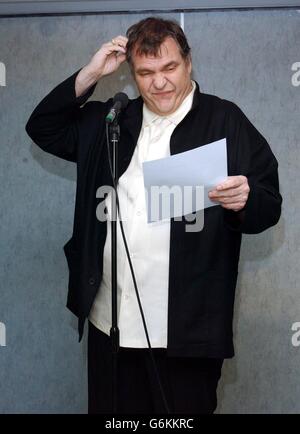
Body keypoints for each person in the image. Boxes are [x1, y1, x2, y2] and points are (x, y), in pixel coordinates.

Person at [25, 17, 282, 414]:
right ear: (131, 74)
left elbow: (269, 202)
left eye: (169, 68)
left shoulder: (224, 119)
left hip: (188, 332)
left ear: (189, 63)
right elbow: (43, 126)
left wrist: (246, 199)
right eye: (145, 73)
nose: (159, 82)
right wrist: (92, 72)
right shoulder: (111, 119)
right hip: (109, 325)